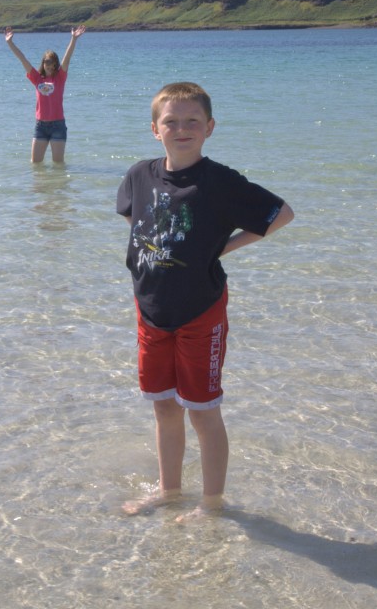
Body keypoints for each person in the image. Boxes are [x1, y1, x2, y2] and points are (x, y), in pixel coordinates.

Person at [116, 81, 294, 521]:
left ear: (209, 128)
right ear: (155, 129)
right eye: (171, 121)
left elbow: (281, 214)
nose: (182, 129)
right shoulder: (139, 174)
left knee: (202, 411)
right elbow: (132, 219)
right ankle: (168, 490)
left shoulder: (220, 181)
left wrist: (222, 247)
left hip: (201, 311)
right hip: (151, 310)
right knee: (163, 405)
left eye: (192, 121)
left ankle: (212, 503)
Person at [4, 25, 86, 163]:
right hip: (40, 126)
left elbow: (67, 57)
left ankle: (57, 185)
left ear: (55, 64)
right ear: (43, 64)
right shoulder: (37, 78)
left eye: (52, 63)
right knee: (35, 164)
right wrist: (10, 43)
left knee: (58, 165)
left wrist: (73, 39)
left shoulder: (60, 77)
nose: (49, 65)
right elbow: (22, 59)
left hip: (57, 126)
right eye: (46, 62)